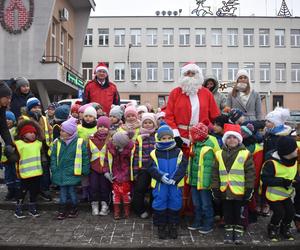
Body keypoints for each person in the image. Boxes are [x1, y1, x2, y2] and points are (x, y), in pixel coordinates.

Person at [211, 124, 255, 244]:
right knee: (227, 214)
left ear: (239, 139)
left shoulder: (245, 153)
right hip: (224, 190)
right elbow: (215, 173)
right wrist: (215, 189)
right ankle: (229, 233)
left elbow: (250, 173)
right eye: (229, 138)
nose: (232, 140)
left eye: (234, 138)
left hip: (239, 191)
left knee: (239, 214)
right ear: (225, 140)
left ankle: (238, 234)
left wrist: (249, 189)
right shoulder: (219, 154)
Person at [164, 62, 220, 152]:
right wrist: (175, 135)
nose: (190, 75)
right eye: (187, 73)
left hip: (203, 137)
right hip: (181, 136)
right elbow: (169, 116)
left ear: (198, 75)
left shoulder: (207, 93)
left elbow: (215, 116)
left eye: (193, 73)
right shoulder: (175, 93)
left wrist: (219, 128)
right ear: (183, 75)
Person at [147, 124, 187, 239]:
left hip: (175, 185)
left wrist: (175, 178)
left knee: (175, 203)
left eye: (169, 138)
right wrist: (160, 176)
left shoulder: (179, 151)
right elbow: (151, 167)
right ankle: (161, 227)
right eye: (163, 138)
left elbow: (183, 166)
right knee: (160, 204)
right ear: (159, 139)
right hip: (160, 185)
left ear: (172, 138)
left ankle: (173, 226)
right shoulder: (154, 153)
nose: (167, 140)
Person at [50, 117, 90, 219]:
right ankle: (62, 209)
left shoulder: (79, 142)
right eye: (61, 130)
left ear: (70, 132)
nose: (61, 132)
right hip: (61, 172)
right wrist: (54, 168)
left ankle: (74, 208)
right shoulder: (57, 142)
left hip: (73, 172)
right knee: (62, 193)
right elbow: (53, 156)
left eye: (63, 131)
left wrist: (85, 170)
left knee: (72, 192)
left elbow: (85, 157)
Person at [261, 136, 298, 241]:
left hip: (286, 194)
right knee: (279, 212)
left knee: (291, 212)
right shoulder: (271, 163)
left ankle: (285, 228)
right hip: (273, 195)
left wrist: (296, 180)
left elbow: (295, 174)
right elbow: (265, 179)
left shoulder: (294, 161)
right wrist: (282, 182)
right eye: (294, 148)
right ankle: (272, 228)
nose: (297, 149)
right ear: (287, 151)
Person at [186, 123, 215, 234]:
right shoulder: (195, 145)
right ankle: (197, 221)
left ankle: (208, 223)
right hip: (194, 181)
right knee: (196, 203)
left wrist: (207, 183)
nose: (189, 136)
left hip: (204, 183)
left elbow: (209, 168)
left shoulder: (208, 148)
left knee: (205, 203)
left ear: (197, 136)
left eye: (191, 134)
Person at [13, 120, 44, 218]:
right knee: (22, 191)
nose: (33, 134)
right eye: (30, 132)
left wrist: (36, 126)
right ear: (23, 134)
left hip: (36, 172)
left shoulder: (38, 143)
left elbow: (41, 135)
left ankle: (32, 208)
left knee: (34, 191)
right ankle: (18, 208)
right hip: (24, 173)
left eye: (34, 133)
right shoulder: (18, 144)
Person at [25, 97, 53, 201]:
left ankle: (45, 189)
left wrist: (50, 144)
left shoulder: (44, 118)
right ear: (29, 109)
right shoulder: (25, 119)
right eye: (34, 107)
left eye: (38, 107)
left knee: (45, 169)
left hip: (43, 150)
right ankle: (34, 190)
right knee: (34, 170)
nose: (37, 109)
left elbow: (50, 131)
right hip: (31, 150)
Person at [105, 131, 134, 220]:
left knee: (126, 195)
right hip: (115, 176)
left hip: (126, 177)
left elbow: (132, 163)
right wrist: (106, 172)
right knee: (116, 195)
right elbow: (106, 160)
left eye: (114, 141)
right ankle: (116, 212)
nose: (111, 141)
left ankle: (126, 212)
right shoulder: (110, 149)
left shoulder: (130, 150)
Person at [132, 113, 156, 219]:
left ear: (154, 124)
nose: (147, 125)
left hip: (155, 169)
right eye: (145, 123)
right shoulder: (139, 138)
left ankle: (153, 209)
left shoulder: (157, 137)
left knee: (154, 190)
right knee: (140, 189)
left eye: (150, 122)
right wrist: (136, 171)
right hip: (143, 168)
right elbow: (136, 156)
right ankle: (140, 210)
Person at [88, 116, 112, 216]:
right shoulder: (92, 139)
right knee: (93, 187)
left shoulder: (111, 139)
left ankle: (105, 205)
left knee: (104, 188)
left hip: (106, 168)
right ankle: (94, 205)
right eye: (100, 126)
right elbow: (88, 153)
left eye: (105, 126)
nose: (102, 128)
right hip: (94, 167)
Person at [0, 111, 19, 201]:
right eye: (5, 119)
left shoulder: (15, 130)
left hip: (14, 156)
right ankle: (10, 190)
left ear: (13, 120)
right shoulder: (1, 131)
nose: (7, 121)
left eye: (9, 119)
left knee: (15, 174)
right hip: (5, 158)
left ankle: (17, 191)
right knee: (8, 176)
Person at [0, 81, 15, 163]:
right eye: (7, 98)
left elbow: (4, 128)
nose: (9, 101)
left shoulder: (2, 109)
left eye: (10, 98)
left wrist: (9, 144)